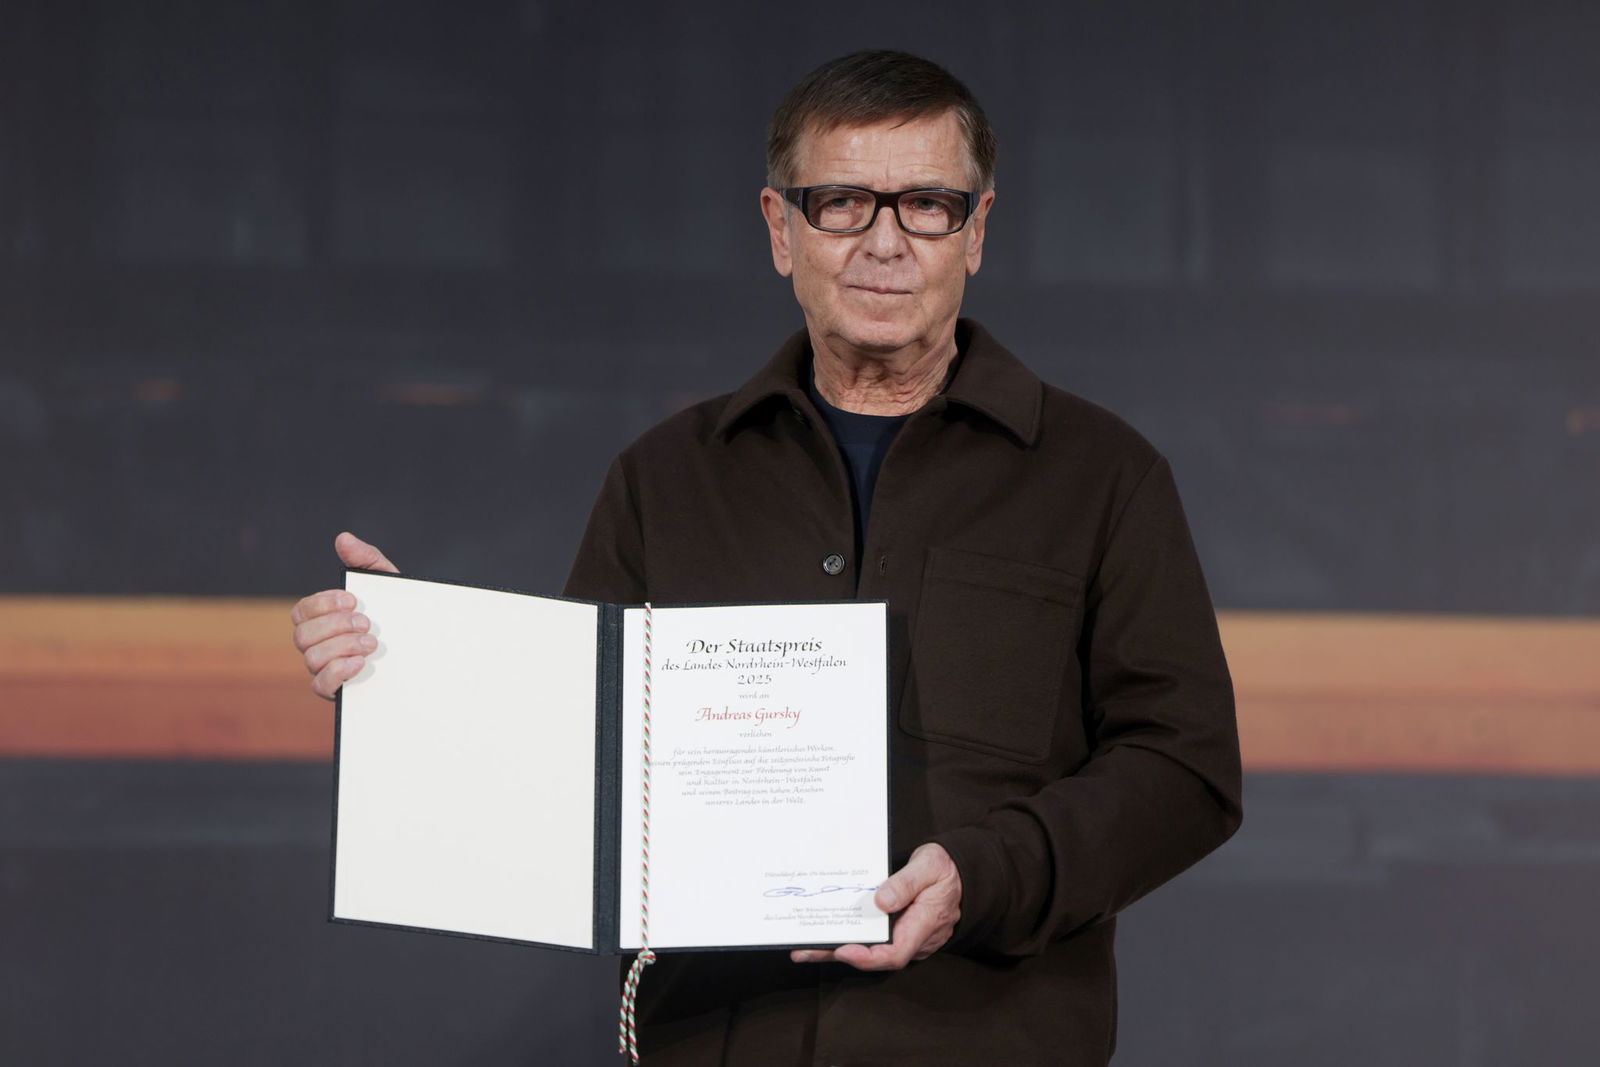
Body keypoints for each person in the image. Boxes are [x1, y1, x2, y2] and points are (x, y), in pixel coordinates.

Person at [291, 50, 1241, 1065]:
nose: (883, 242)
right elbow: (575, 775)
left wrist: (989, 872)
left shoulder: (1100, 476)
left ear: (977, 230)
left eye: (925, 204)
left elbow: (1184, 766)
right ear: (779, 230)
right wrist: (413, 671)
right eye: (839, 202)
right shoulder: (664, 478)